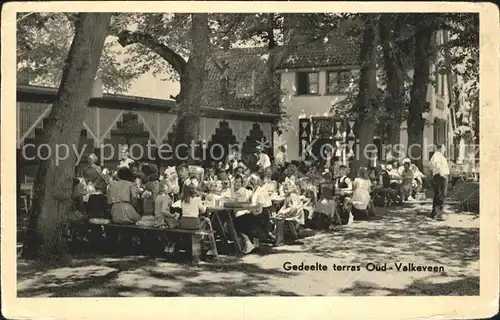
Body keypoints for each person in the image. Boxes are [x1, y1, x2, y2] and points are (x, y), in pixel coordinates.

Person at [428, 144, 449, 221]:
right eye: (444, 149)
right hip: (440, 176)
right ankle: (439, 215)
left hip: (439, 176)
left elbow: (430, 165)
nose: (444, 150)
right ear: (440, 148)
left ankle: (435, 213)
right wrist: (441, 174)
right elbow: (435, 164)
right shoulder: (437, 154)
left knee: (438, 195)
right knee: (441, 195)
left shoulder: (438, 155)